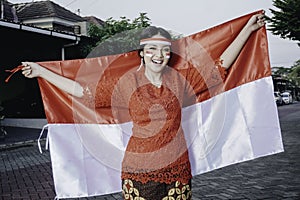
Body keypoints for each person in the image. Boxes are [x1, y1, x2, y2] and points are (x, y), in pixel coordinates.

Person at [21, 12, 265, 200]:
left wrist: (247, 29)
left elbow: (218, 69)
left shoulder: (181, 81)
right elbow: (82, 92)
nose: (159, 55)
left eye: (165, 50)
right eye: (152, 49)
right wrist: (42, 72)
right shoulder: (126, 84)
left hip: (177, 170)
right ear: (142, 53)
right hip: (137, 172)